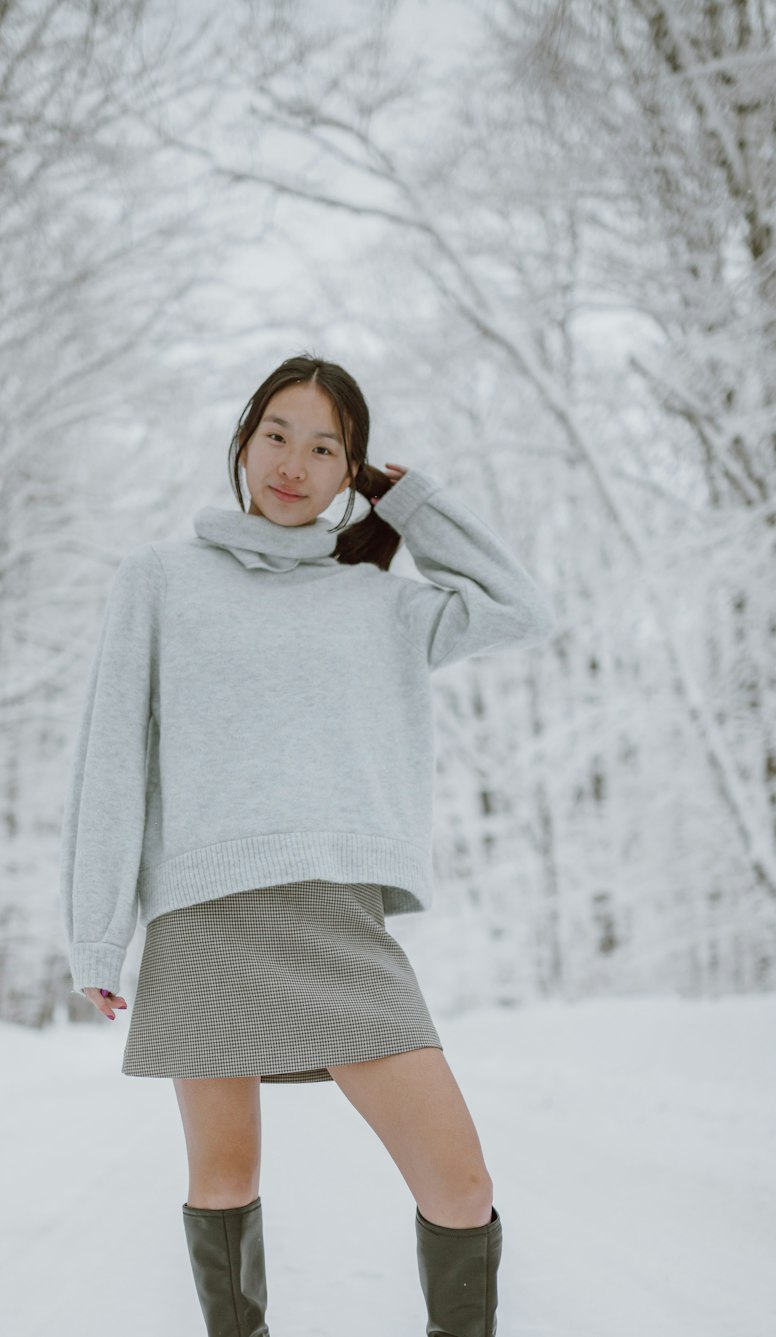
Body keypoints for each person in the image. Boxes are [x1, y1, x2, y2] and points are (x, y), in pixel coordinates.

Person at [59, 353, 556, 1337]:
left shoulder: (380, 602)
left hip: (337, 919)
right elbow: (112, 755)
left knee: (459, 1182)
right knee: (224, 1173)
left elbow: (519, 607)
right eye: (276, 434)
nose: (293, 463)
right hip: (205, 915)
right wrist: (97, 931)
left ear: (351, 474)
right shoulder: (159, 579)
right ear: (243, 441)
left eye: (326, 448)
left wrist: (407, 499)